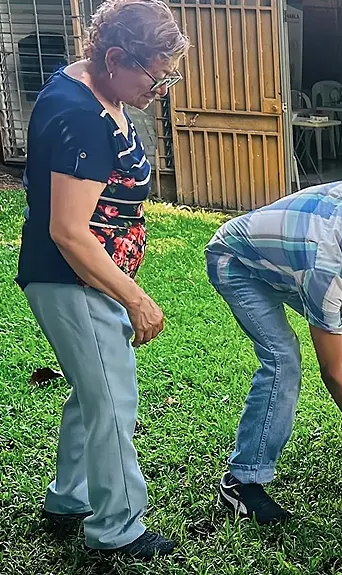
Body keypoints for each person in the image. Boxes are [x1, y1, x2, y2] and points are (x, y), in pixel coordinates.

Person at [14, 0, 188, 559]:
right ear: (114, 57)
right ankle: (117, 531)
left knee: (93, 395)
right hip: (74, 279)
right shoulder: (80, 114)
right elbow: (68, 229)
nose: (159, 91)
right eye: (155, 78)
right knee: (114, 402)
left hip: (92, 278)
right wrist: (137, 299)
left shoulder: (92, 90)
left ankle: (70, 497)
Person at [205, 180, 342, 524]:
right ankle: (241, 482)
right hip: (239, 264)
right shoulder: (324, 270)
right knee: (282, 359)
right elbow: (332, 372)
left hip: (291, 259)